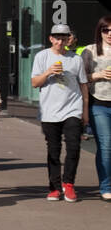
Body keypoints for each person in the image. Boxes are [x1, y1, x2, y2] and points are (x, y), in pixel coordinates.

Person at [32, 23, 89, 203]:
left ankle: (69, 184)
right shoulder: (42, 56)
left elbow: (83, 85)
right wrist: (48, 72)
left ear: (68, 40)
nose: (60, 41)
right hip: (49, 111)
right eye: (57, 38)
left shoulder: (75, 59)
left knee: (73, 147)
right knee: (53, 150)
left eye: (63, 38)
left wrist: (85, 111)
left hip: (72, 108)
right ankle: (55, 188)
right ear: (51, 39)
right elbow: (35, 83)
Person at [83, 15, 111, 201]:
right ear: (99, 31)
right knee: (106, 145)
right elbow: (81, 77)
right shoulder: (90, 51)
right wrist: (99, 74)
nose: (110, 34)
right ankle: (106, 186)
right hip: (99, 104)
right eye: (106, 30)